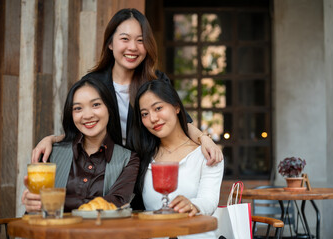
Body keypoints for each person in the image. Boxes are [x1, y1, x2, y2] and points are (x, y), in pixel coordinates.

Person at [31, 8, 223, 166]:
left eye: (140, 40)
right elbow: (83, 128)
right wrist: (52, 139)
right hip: (104, 175)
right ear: (110, 44)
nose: (133, 47)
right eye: (125, 39)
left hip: (146, 172)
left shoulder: (155, 81)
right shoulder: (93, 83)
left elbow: (182, 122)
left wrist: (204, 139)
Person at [22, 78, 139, 213]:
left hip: (102, 234)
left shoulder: (129, 159)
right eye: (78, 108)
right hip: (55, 233)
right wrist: (33, 204)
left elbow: (116, 203)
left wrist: (53, 200)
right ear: (71, 114)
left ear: (109, 108)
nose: (87, 115)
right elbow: (36, 209)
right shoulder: (51, 153)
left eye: (96, 105)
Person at [131, 79, 223, 239]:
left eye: (158, 108)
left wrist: (193, 205)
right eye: (145, 114)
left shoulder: (206, 154)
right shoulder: (142, 157)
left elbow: (209, 200)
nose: (153, 118)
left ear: (176, 107)